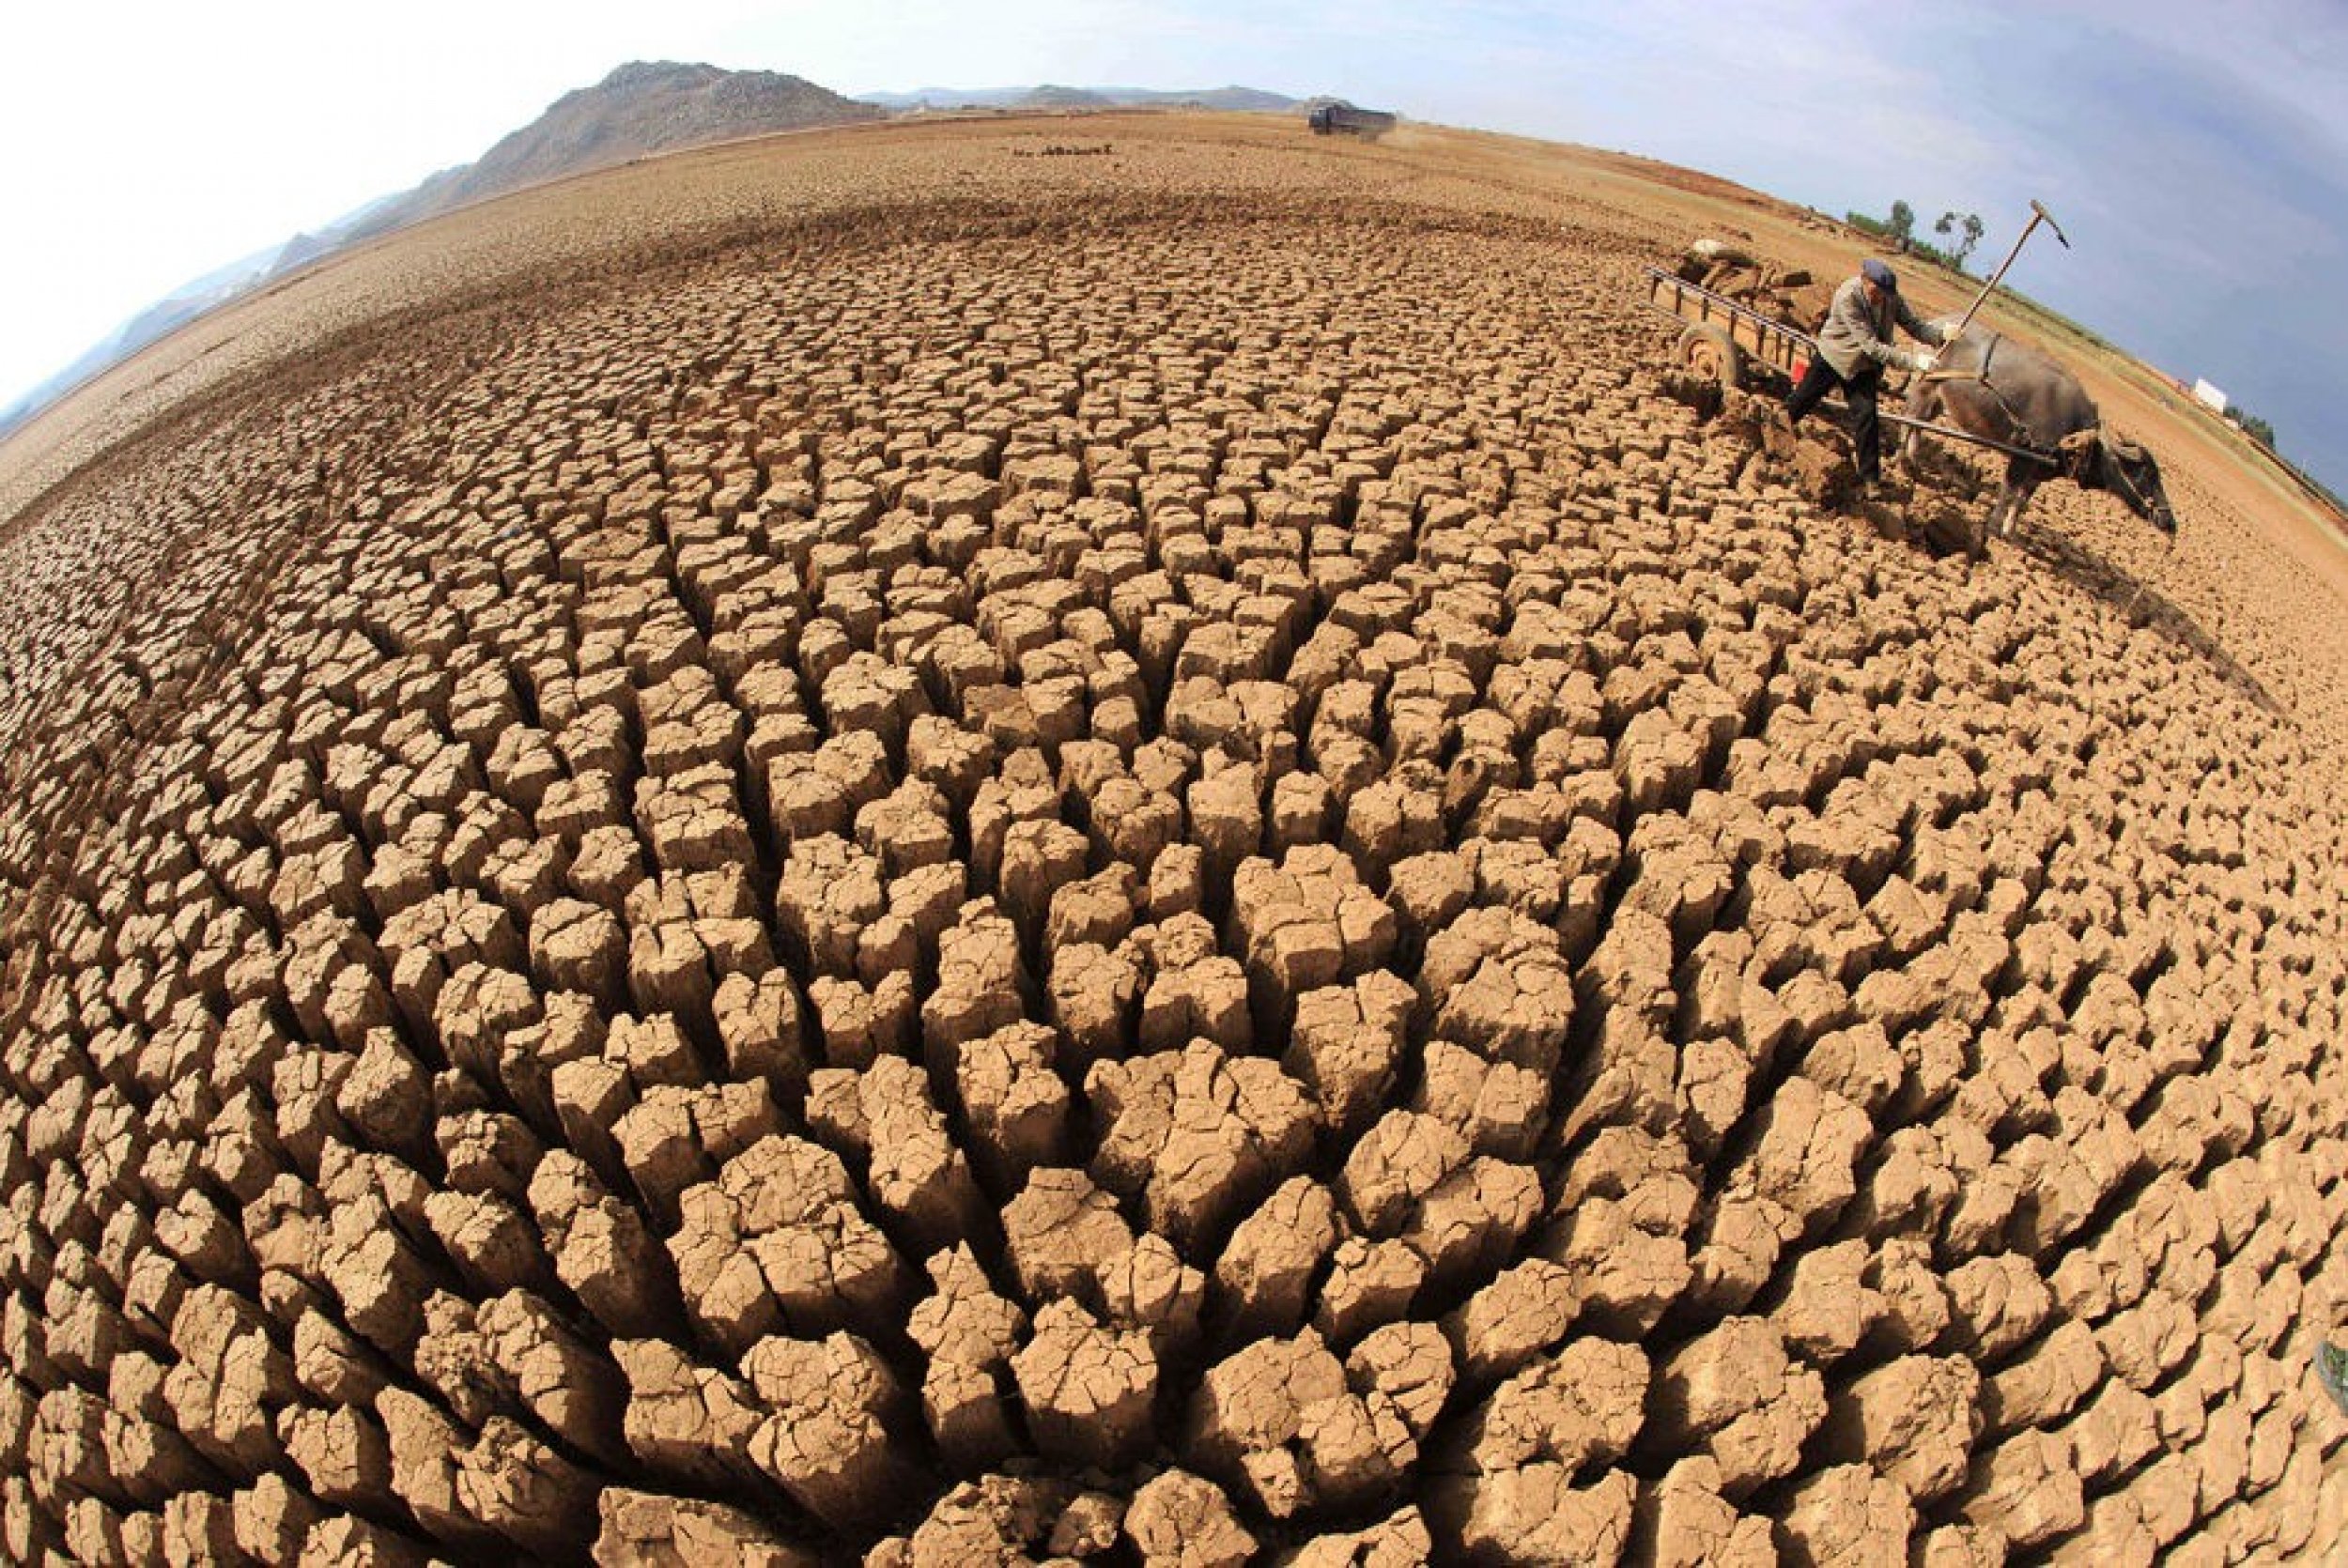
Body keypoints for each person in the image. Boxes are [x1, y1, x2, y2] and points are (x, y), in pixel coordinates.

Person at [1783, 257, 1954, 498]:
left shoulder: (1891, 297)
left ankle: (1870, 480)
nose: (1880, 298)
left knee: (1866, 418)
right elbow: (1871, 346)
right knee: (1803, 400)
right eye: (1876, 292)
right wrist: (1914, 362)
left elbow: (1914, 326)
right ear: (1864, 280)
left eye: (1884, 294)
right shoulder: (1848, 296)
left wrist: (1941, 336)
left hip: (1862, 368)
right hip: (1835, 357)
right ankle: (1776, 429)